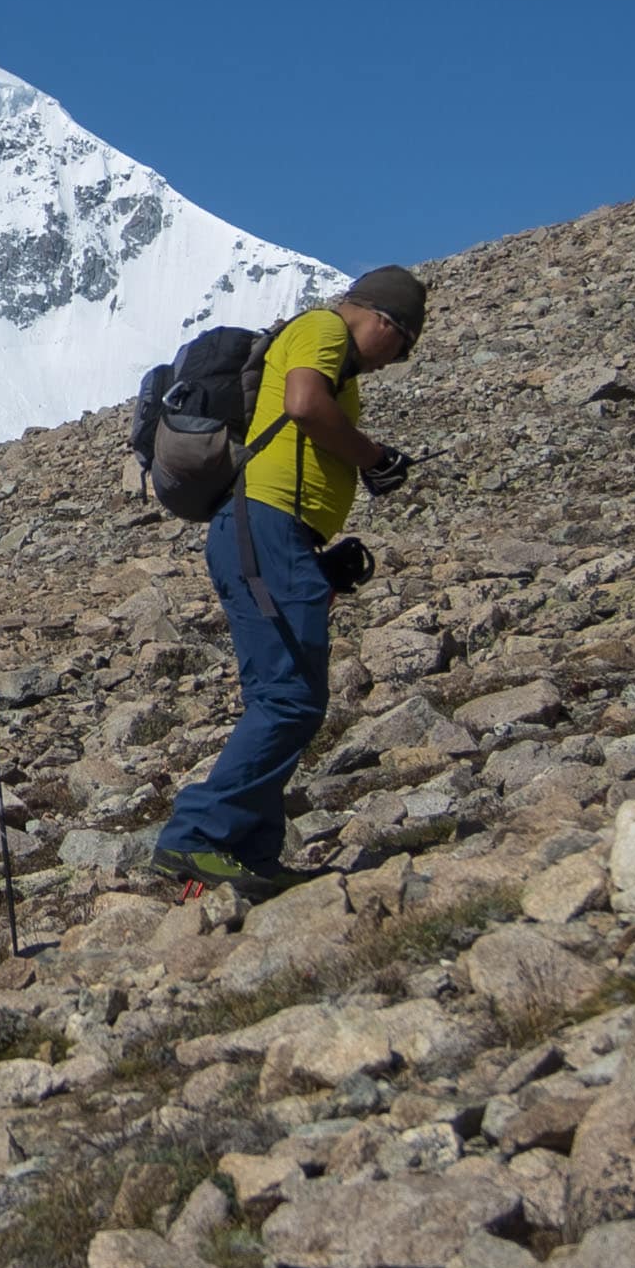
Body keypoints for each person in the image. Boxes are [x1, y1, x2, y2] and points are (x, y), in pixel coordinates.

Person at [155, 263, 428, 899]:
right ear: (385, 321)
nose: (395, 361)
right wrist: (375, 458)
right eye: (404, 345)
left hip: (279, 537)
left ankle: (250, 853)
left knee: (285, 697)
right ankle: (195, 835)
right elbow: (304, 406)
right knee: (290, 698)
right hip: (266, 529)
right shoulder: (324, 330)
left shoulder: (322, 341)